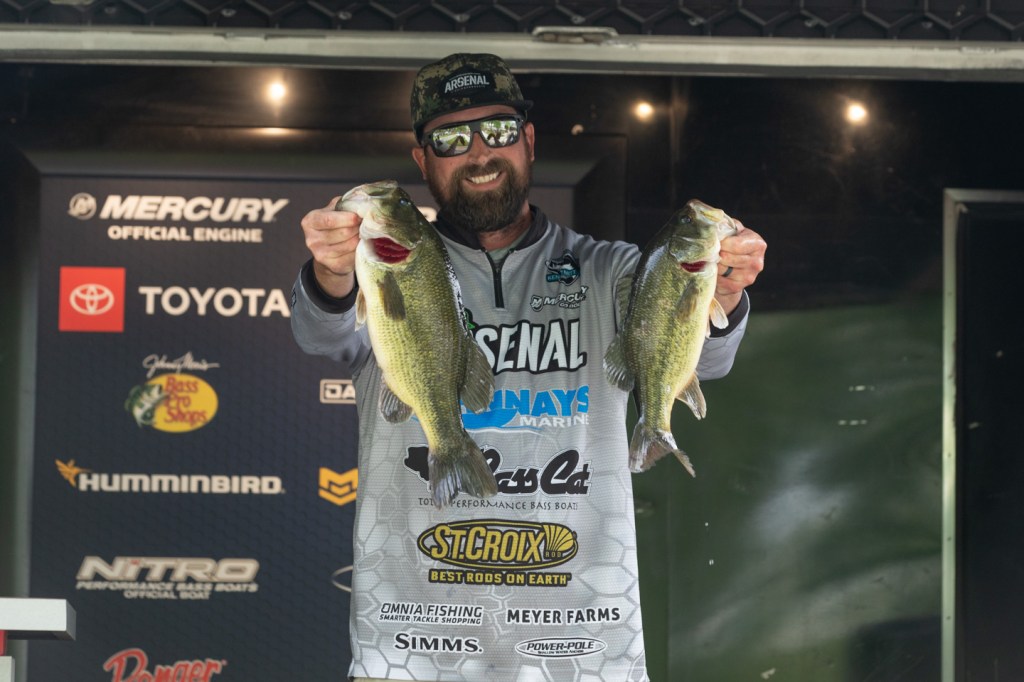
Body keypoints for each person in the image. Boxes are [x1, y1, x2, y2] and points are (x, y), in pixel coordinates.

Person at [290, 53, 766, 682]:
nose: (479, 153)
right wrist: (330, 274)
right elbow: (319, 334)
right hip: (411, 649)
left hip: (585, 649)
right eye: (451, 139)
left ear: (529, 141)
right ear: (423, 161)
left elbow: (709, 359)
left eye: (499, 130)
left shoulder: (613, 271)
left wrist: (722, 291)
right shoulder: (379, 267)